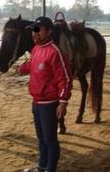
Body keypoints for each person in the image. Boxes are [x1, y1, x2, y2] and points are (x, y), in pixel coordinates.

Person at [16, 16, 73, 172]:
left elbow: (65, 79)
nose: (34, 33)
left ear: (48, 31)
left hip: (49, 103)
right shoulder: (36, 49)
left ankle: (50, 169)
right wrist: (21, 68)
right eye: (33, 30)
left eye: (38, 30)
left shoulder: (55, 52)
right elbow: (33, 64)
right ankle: (41, 166)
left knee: (50, 139)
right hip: (36, 102)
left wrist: (63, 101)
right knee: (41, 139)